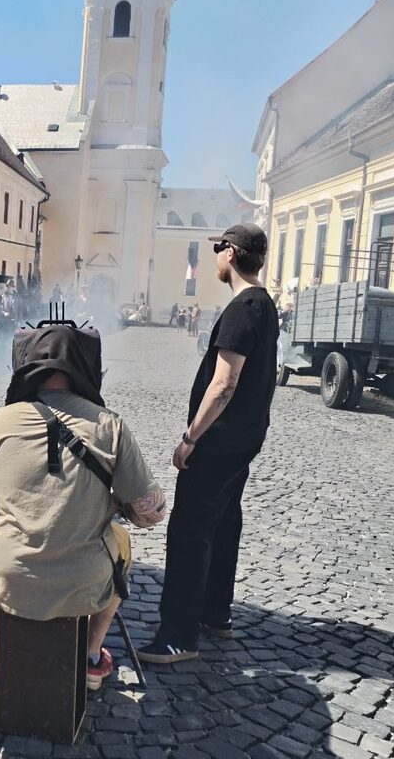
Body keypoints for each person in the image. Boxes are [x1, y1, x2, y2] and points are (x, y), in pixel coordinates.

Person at [0, 326, 165, 695]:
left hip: (10, 579)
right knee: (120, 541)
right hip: (83, 582)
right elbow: (152, 513)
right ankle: (91, 658)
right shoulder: (110, 425)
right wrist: (120, 503)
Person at [138, 223, 278, 663]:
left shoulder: (242, 308)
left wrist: (190, 438)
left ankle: (178, 634)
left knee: (190, 531)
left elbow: (224, 384)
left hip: (218, 443)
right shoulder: (266, 305)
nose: (215, 255)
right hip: (244, 439)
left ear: (231, 254)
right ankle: (216, 613)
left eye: (219, 248)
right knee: (224, 522)